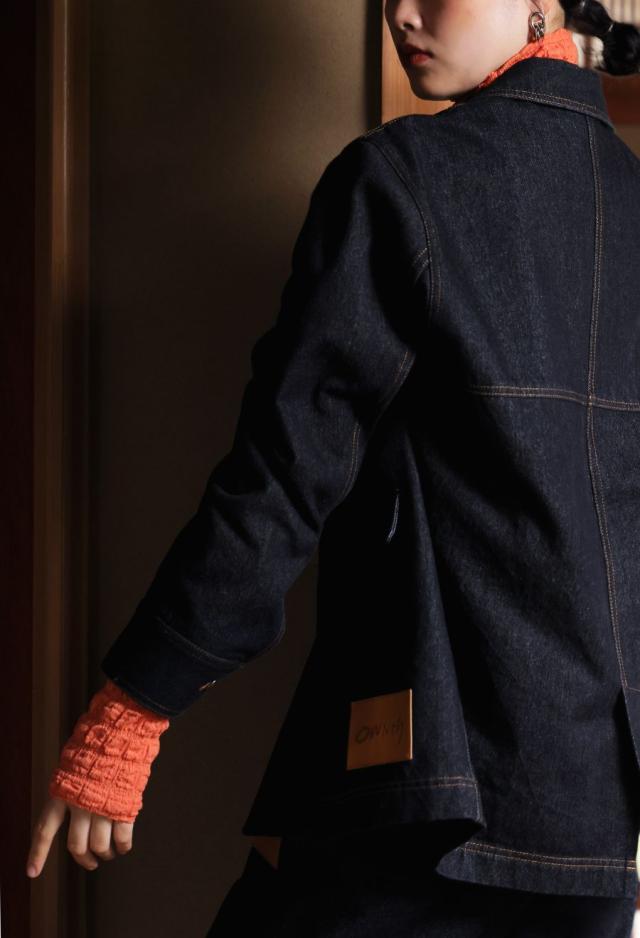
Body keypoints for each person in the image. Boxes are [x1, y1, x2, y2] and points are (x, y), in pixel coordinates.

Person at [26, 0, 640, 934]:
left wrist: (134, 709)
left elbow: (281, 479)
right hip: (596, 825)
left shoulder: (403, 178)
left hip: (435, 796)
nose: (402, 12)